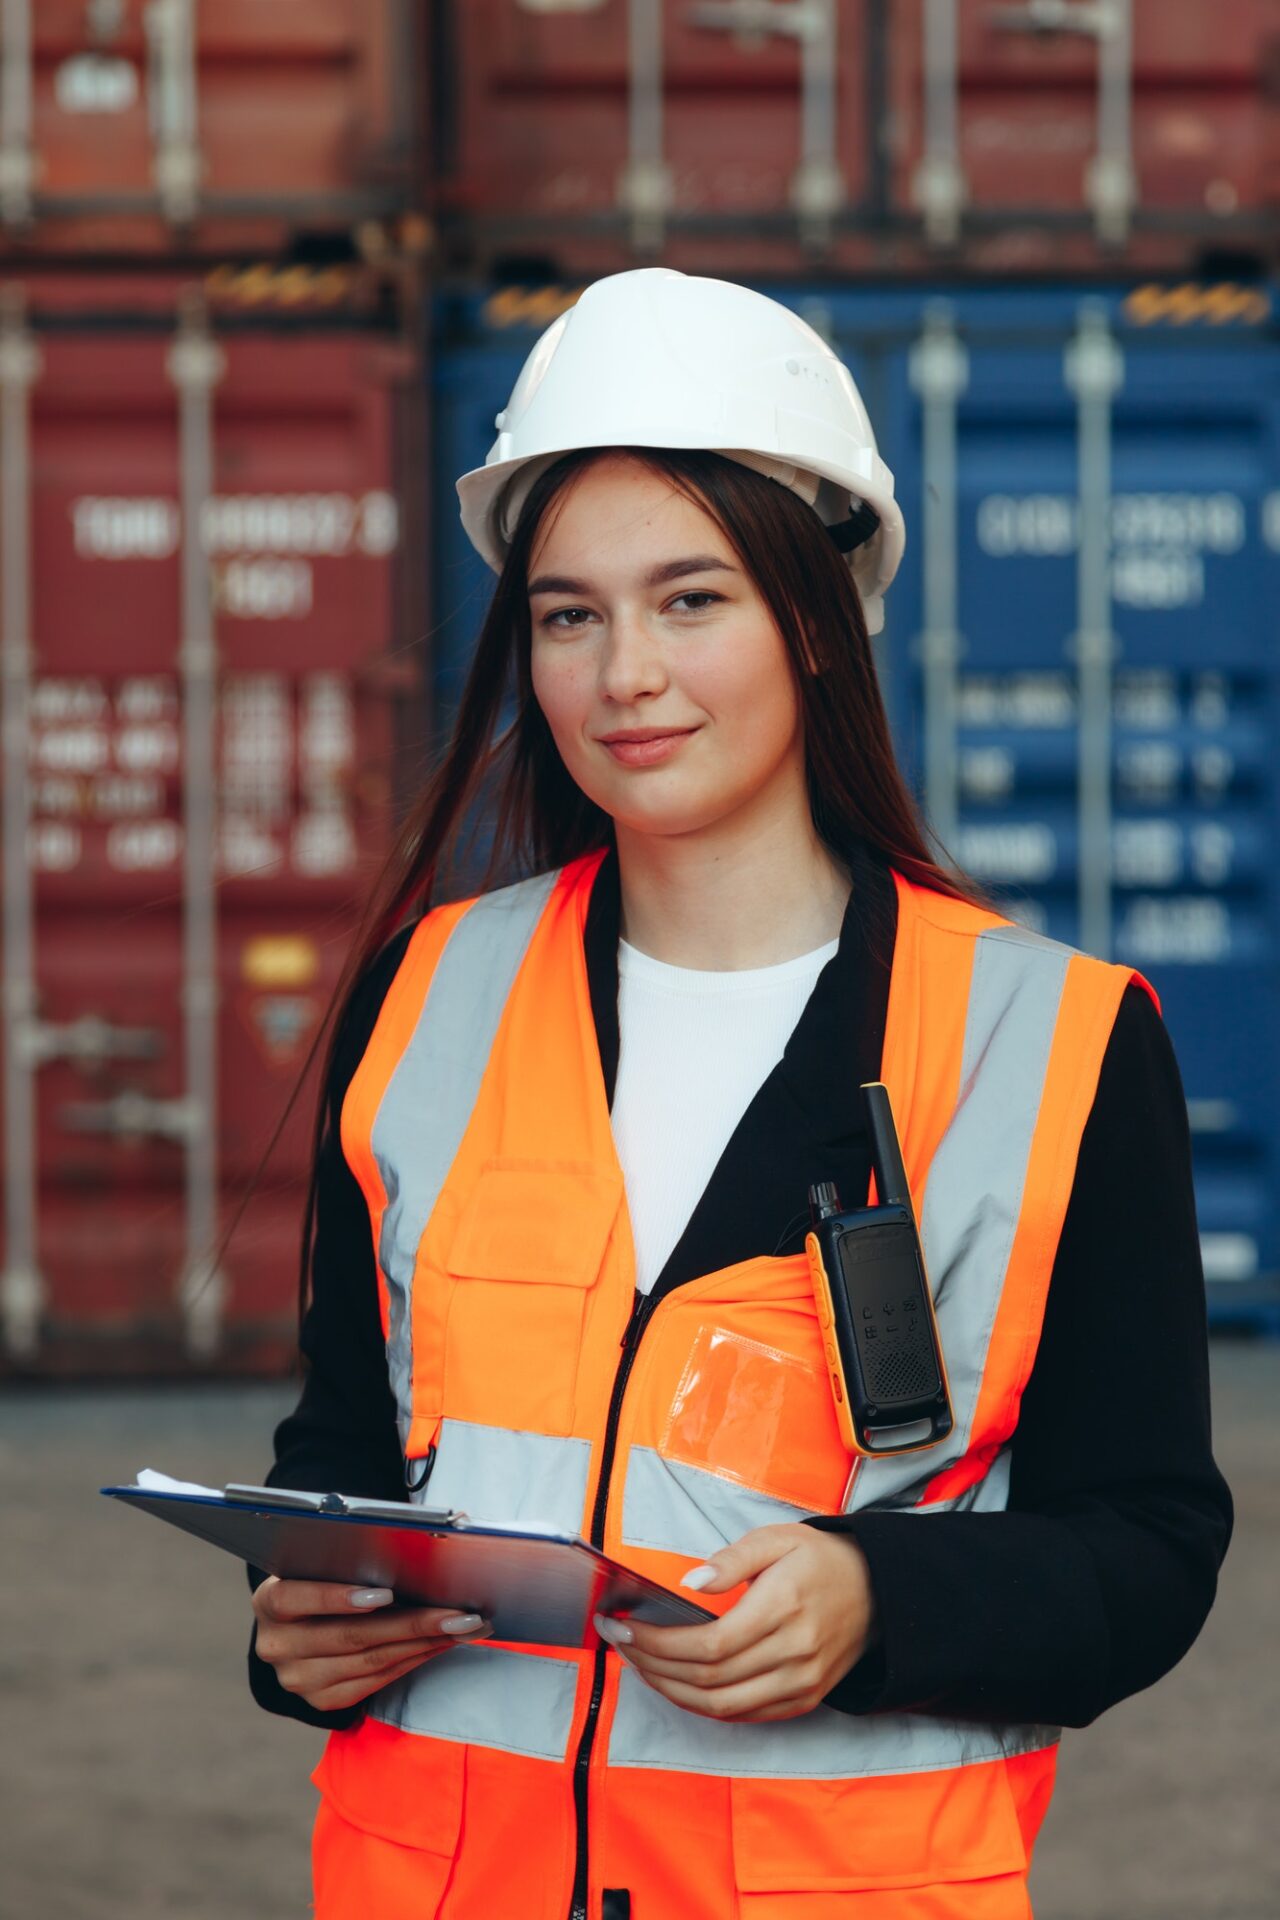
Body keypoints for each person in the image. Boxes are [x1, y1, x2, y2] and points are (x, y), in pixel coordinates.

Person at [248, 269, 1231, 1920]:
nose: (625, 671)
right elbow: (350, 1449)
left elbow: (1145, 1545)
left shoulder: (1048, 1043)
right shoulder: (432, 997)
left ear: (817, 623)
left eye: (689, 599)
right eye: (570, 614)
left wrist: (876, 1598)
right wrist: (302, 1627)